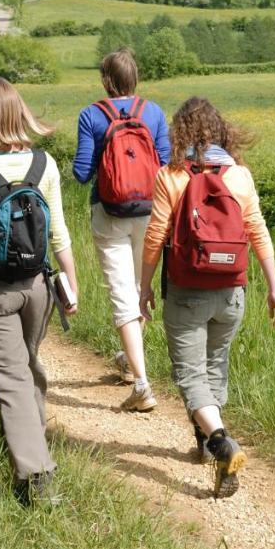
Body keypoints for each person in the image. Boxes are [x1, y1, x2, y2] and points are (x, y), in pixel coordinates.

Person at [138, 97, 275, 498]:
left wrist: (144, 286)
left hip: (187, 291)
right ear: (221, 130)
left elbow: (155, 237)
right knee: (214, 365)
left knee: (190, 376)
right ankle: (203, 445)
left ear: (179, 133)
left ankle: (220, 441)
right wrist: (273, 288)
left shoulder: (171, 175)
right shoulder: (239, 176)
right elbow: (257, 231)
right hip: (231, 291)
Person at [0, 78, 78, 507]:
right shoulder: (44, 163)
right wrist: (70, 280)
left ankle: (36, 474)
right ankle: (30, 447)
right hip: (38, 288)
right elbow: (59, 230)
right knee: (26, 368)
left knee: (11, 378)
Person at [73, 48, 171, 412]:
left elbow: (81, 173)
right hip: (150, 213)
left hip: (109, 212)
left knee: (121, 294)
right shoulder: (155, 112)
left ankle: (142, 384)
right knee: (139, 289)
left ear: (105, 80)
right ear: (136, 79)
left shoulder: (91, 115)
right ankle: (130, 364)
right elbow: (164, 162)